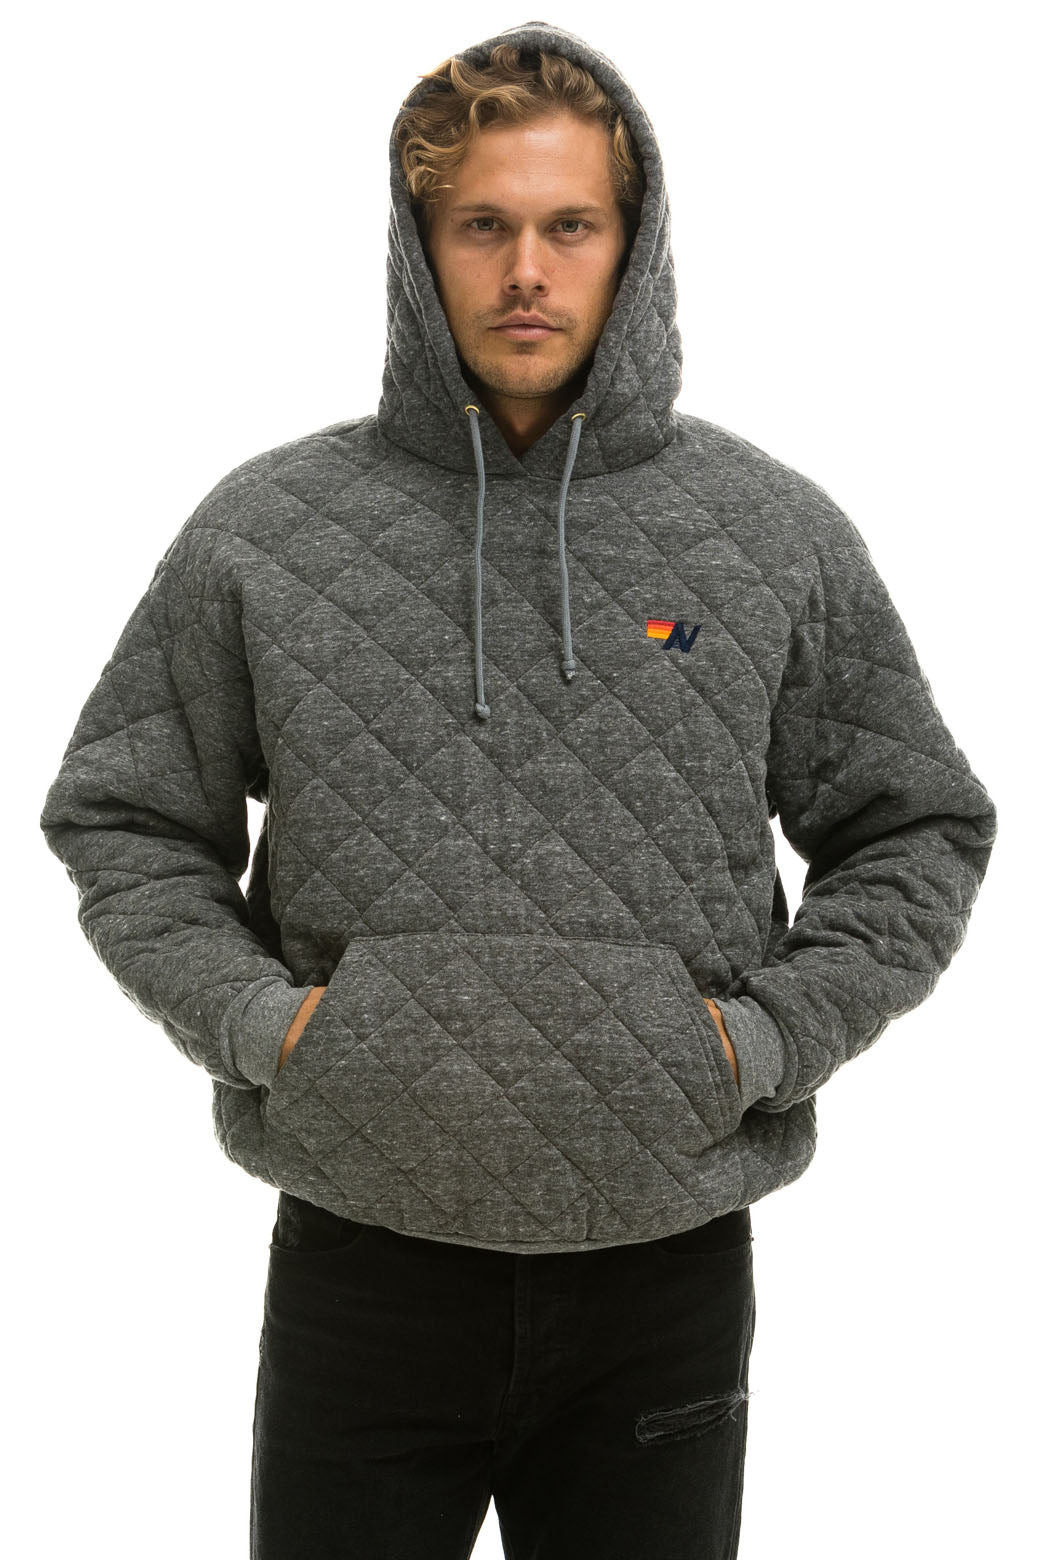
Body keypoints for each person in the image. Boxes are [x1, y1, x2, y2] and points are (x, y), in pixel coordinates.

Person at [40, 21, 997, 1560]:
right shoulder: (269, 532)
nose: (528, 271)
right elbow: (128, 816)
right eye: (484, 225)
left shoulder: (769, 536)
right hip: (363, 1257)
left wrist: (761, 1041)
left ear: (636, 242)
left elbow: (915, 828)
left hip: (664, 1262)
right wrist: (264, 1025)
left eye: (571, 225)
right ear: (421, 247)